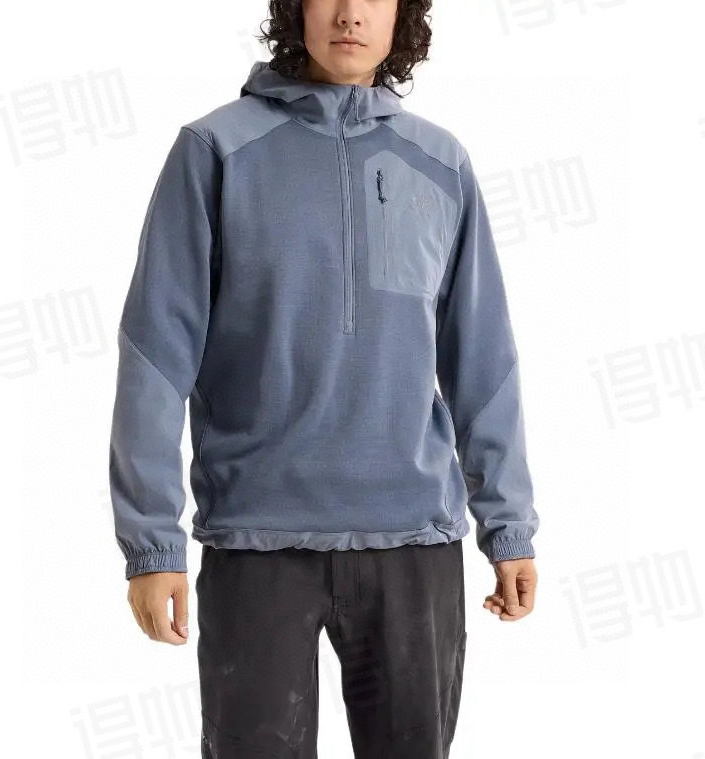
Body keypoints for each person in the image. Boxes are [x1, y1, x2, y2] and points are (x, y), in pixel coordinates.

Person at [108, 0, 540, 756]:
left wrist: (509, 528)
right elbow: (155, 353)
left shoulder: (438, 162)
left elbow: (481, 357)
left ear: (402, 15)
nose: (348, 14)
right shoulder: (216, 149)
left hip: (414, 539)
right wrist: (153, 546)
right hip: (256, 541)